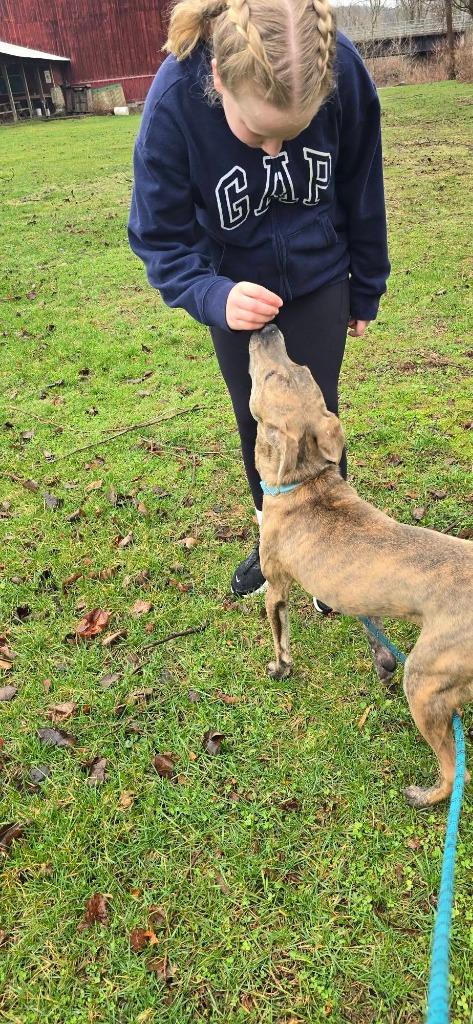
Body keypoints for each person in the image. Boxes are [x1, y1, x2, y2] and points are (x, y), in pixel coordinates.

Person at [128, 0, 390, 607]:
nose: (273, 153)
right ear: (218, 81)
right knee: (257, 421)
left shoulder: (342, 70)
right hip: (234, 287)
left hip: (322, 274)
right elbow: (157, 235)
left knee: (315, 414)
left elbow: (362, 187)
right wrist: (213, 295)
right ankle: (272, 541)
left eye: (290, 135)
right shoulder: (175, 99)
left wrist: (366, 284)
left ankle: (333, 549)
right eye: (255, 133)